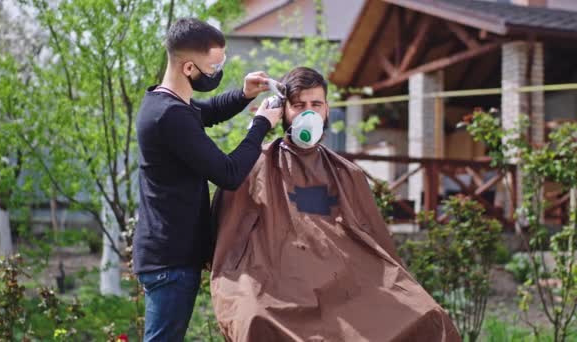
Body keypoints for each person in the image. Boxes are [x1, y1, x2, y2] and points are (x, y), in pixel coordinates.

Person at [210, 67, 461, 341]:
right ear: (283, 111)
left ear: (327, 109)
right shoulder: (255, 165)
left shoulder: (347, 174)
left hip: (347, 285)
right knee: (254, 316)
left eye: (316, 104)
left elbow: (374, 243)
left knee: (426, 315)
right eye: (299, 105)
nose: (309, 113)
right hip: (281, 286)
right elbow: (230, 241)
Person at [132, 18, 282, 341]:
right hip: (169, 261)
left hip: (166, 255)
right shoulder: (169, 116)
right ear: (188, 68)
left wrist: (243, 95)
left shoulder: (165, 102)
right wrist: (260, 125)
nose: (217, 73)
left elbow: (206, 112)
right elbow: (228, 173)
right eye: (214, 68)